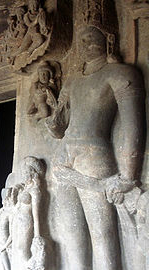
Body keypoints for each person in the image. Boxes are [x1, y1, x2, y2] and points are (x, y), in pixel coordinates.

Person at [46, 25, 144, 270]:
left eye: (93, 37)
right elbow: (60, 127)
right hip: (63, 156)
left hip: (93, 156)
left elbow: (134, 126)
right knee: (72, 234)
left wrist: (129, 176)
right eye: (83, 39)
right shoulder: (72, 81)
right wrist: (52, 119)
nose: (86, 43)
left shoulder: (121, 74)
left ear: (109, 40)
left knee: (102, 236)